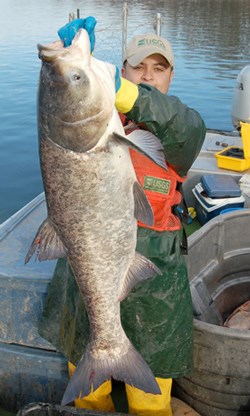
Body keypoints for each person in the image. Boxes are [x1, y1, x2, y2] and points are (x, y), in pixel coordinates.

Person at [39, 18, 206, 416]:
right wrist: (83, 70)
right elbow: (79, 105)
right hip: (88, 277)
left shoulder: (179, 126)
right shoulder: (100, 118)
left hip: (154, 282)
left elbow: (183, 127)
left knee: (150, 402)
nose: (148, 75)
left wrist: (120, 89)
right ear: (122, 68)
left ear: (171, 75)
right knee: (89, 395)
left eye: (158, 68)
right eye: (138, 67)